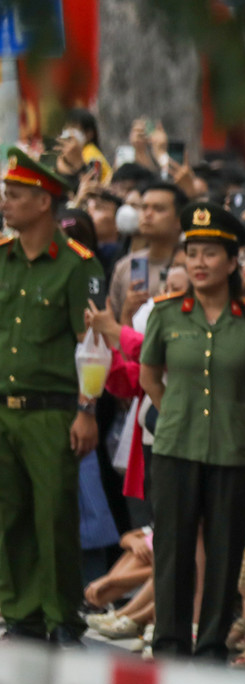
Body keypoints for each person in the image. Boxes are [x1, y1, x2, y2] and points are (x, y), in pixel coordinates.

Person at [140, 202, 245, 659]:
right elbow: (148, 377)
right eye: (192, 253)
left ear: (233, 262)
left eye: (210, 254)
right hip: (175, 448)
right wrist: (175, 413)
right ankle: (171, 641)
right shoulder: (165, 313)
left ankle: (213, 643)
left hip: (234, 452)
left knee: (225, 551)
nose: (198, 263)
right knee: (173, 551)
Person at [0, 147, 104, 644]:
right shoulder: (4, 260)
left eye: (15, 195)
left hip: (51, 410)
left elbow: (93, 344)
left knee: (55, 517)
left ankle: (61, 615)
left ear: (44, 202)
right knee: (9, 514)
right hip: (4, 407)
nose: (5, 202)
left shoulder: (76, 266)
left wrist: (87, 410)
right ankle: (21, 613)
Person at [110, 181, 188, 325]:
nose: (147, 214)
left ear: (179, 220)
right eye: (144, 207)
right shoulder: (125, 266)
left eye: (158, 209)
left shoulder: (190, 266)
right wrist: (126, 313)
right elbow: (112, 324)